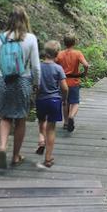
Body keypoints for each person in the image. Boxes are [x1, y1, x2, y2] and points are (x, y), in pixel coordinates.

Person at [0, 6, 40, 169]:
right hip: (23, 81)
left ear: (8, 19)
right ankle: (16, 156)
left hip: (4, 81)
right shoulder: (31, 39)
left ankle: (2, 146)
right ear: (25, 20)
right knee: (20, 119)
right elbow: (36, 67)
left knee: (5, 116)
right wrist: (36, 83)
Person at [35, 40, 68, 168]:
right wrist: (64, 99)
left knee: (41, 121)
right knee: (51, 128)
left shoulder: (39, 67)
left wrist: (37, 95)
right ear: (57, 53)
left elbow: (36, 85)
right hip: (54, 100)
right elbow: (64, 88)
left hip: (41, 99)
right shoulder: (58, 68)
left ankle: (41, 138)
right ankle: (48, 158)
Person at [56, 33, 89, 132]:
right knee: (75, 102)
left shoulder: (59, 54)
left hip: (63, 82)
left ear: (64, 42)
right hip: (74, 82)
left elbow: (54, 65)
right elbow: (86, 65)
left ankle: (66, 123)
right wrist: (84, 73)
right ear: (74, 42)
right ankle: (71, 116)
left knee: (65, 102)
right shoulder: (77, 53)